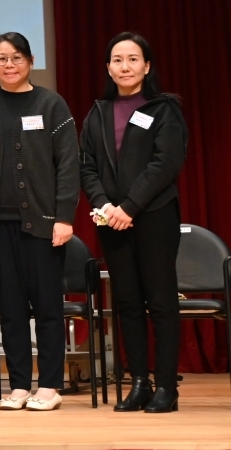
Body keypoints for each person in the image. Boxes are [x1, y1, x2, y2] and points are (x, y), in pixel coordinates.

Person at [0, 32, 78, 412]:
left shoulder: (51, 104)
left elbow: (68, 165)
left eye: (16, 57)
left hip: (44, 225)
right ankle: (18, 385)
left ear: (30, 61)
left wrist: (64, 217)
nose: (9, 65)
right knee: (11, 310)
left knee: (47, 307)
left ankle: (49, 385)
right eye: (1, 58)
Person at [79, 32, 187, 414]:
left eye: (133, 59)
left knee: (160, 301)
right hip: (111, 220)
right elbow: (86, 166)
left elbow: (165, 163)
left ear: (147, 66)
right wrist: (105, 205)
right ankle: (139, 382)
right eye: (117, 60)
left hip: (154, 215)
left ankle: (166, 387)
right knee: (126, 302)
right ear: (108, 68)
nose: (125, 66)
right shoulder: (97, 113)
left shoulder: (164, 108)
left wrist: (130, 206)